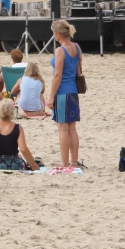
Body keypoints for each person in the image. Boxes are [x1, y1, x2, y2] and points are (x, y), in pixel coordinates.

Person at [47, 20, 84, 169]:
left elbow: (58, 75)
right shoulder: (76, 47)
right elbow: (79, 71)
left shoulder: (60, 50)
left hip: (62, 92)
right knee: (72, 129)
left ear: (57, 34)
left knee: (62, 129)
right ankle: (73, 162)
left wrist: (50, 97)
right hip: (73, 91)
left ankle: (64, 163)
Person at [0, 99, 41, 171]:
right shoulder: (18, 128)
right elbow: (23, 149)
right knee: (21, 160)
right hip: (14, 163)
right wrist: (34, 166)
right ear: (12, 112)